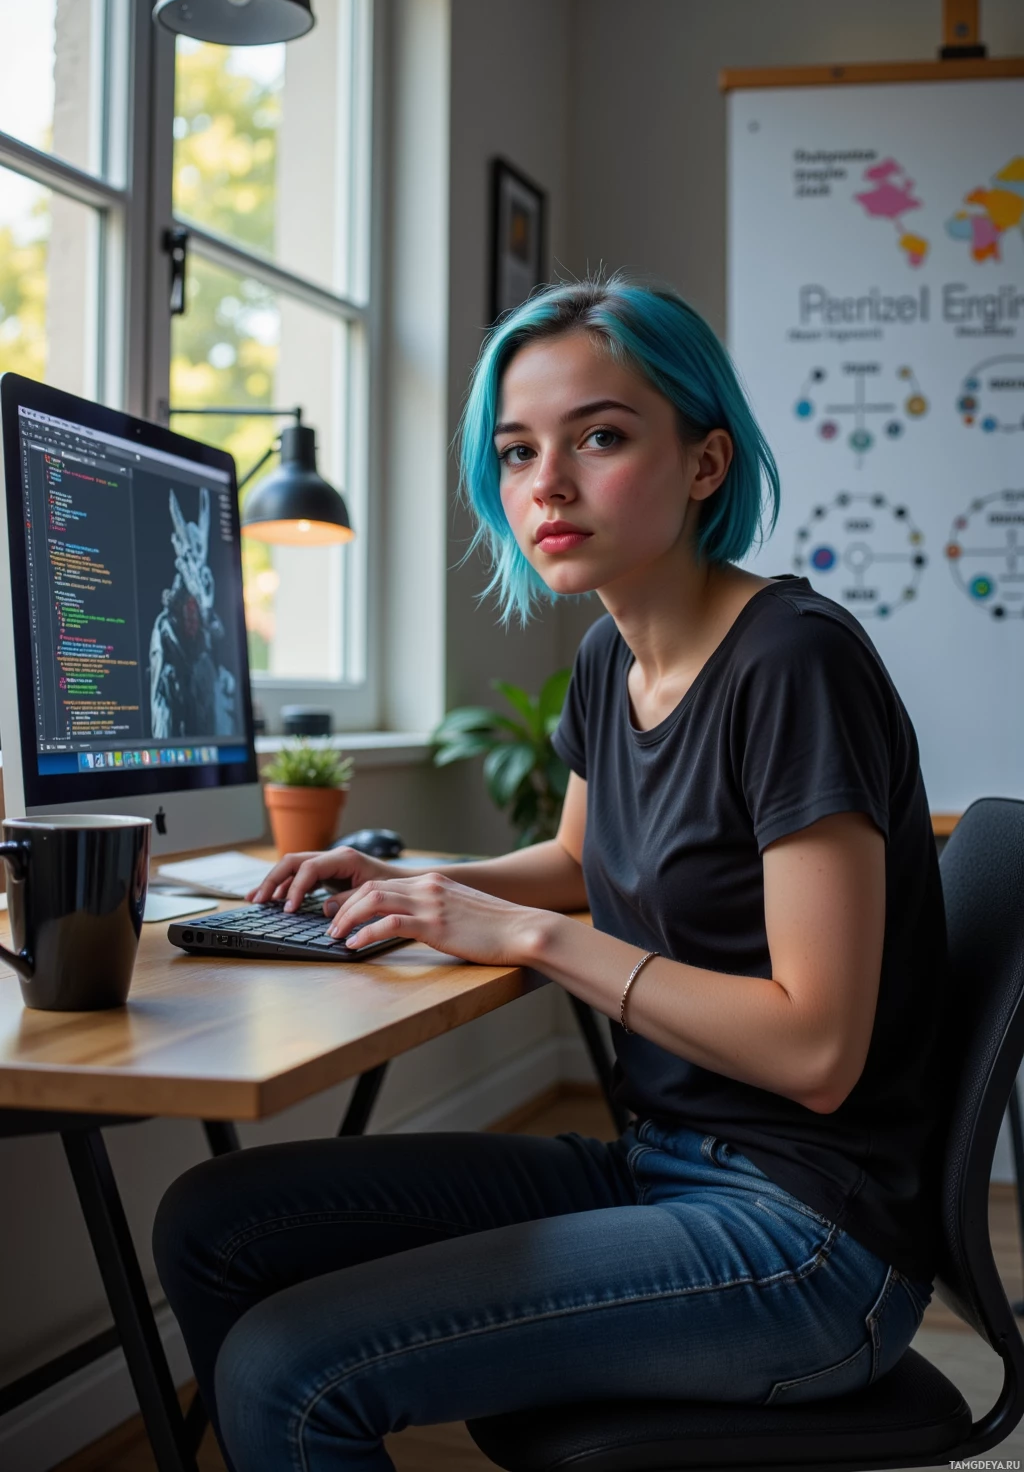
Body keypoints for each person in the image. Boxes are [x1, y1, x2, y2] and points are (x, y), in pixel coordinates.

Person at [153, 277, 947, 1472]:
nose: (547, 484)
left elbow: (815, 1052)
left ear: (704, 462)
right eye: (517, 451)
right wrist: (409, 888)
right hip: (664, 1162)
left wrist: (524, 938)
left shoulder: (793, 664)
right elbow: (577, 862)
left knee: (287, 1371)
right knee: (214, 1220)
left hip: (806, 1237)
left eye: (601, 436)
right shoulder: (605, 658)